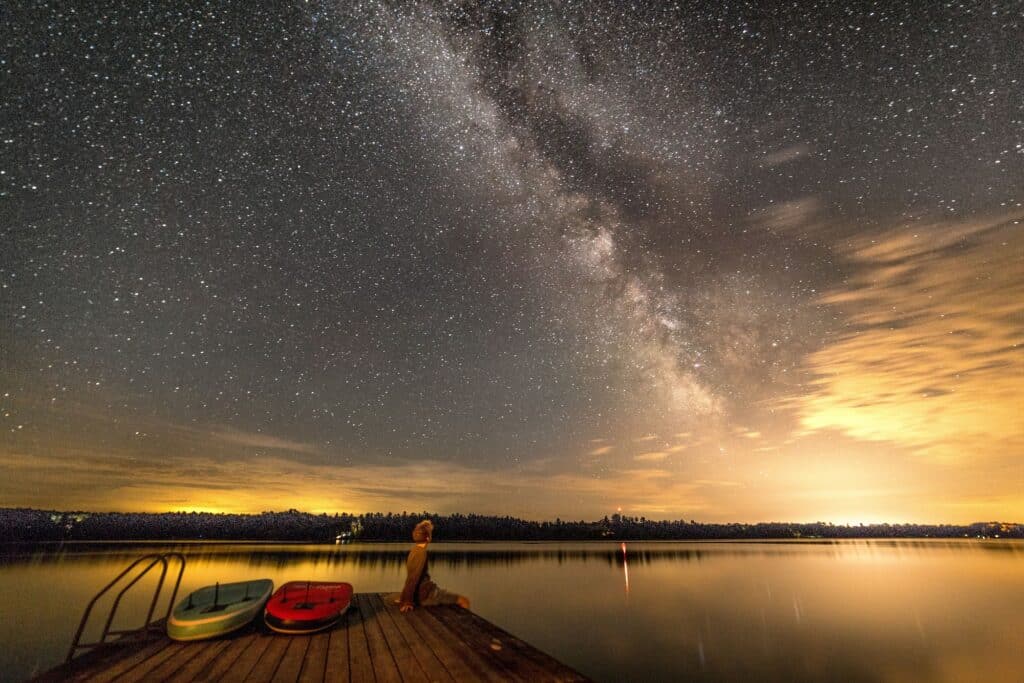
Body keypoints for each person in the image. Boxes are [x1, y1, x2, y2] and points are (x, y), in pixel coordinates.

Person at [396, 519, 470, 612]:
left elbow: (410, 576)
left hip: (422, 593)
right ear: (428, 538)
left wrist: (403, 597)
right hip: (427, 594)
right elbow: (413, 578)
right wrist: (407, 602)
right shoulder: (421, 553)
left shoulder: (414, 550)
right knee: (464, 601)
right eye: (430, 533)